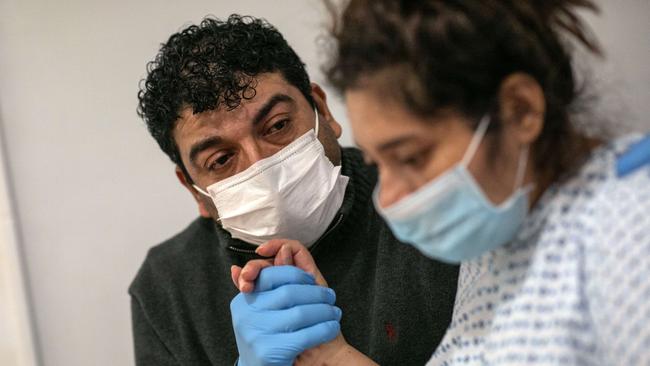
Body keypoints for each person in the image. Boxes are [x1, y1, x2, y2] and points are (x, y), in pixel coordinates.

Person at [233, 1, 650, 365]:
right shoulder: (500, 246)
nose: (389, 199)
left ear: (520, 111)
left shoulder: (631, 227)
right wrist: (331, 354)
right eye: (379, 162)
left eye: (411, 157)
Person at [129, 14, 459, 366]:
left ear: (322, 109)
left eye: (278, 126)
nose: (261, 166)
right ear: (195, 191)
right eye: (221, 159)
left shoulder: (432, 199)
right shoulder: (167, 287)